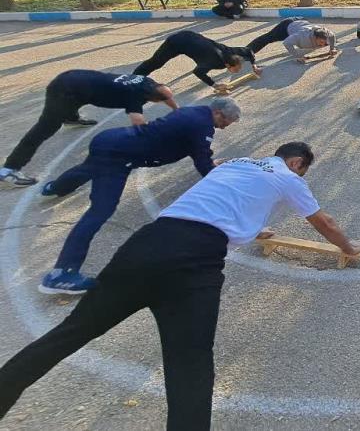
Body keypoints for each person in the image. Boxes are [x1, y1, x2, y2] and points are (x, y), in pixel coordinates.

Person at [0, 142, 360, 429]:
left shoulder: (234, 164)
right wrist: (349, 248)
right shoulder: (288, 177)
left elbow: (221, 202)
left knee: (70, 333)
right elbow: (325, 222)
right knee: (189, 367)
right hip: (195, 262)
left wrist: (253, 229)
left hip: (148, 242)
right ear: (298, 162)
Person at [36, 99, 241, 294]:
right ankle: (61, 274)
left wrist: (209, 161)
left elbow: (195, 147)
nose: (224, 127)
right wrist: (225, 185)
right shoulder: (202, 125)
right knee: (99, 211)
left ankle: (54, 187)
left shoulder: (194, 112)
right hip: (119, 156)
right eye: (225, 121)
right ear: (217, 112)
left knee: (90, 167)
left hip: (110, 140)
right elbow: (203, 164)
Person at [0, 71, 177, 188]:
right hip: (64, 90)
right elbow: (139, 124)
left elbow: (165, 96)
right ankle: (9, 170)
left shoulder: (148, 82)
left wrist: (178, 112)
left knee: (83, 97)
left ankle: (70, 117)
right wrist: (158, 137)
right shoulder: (135, 95)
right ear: (152, 98)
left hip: (77, 80)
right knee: (46, 127)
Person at [134, 30, 259, 89]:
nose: (238, 70)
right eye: (236, 70)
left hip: (193, 37)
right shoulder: (213, 61)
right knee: (156, 62)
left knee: (157, 62)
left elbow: (248, 51)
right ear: (227, 65)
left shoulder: (232, 52)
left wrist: (254, 65)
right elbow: (198, 72)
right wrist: (215, 85)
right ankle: (134, 78)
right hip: (177, 42)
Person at [246, 18, 336, 60]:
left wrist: (332, 48)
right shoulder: (301, 36)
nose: (322, 45)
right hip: (286, 27)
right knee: (267, 38)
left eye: (324, 43)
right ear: (315, 37)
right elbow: (286, 43)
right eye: (321, 42)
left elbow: (332, 36)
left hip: (300, 21)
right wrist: (297, 56)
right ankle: (245, 52)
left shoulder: (326, 34)